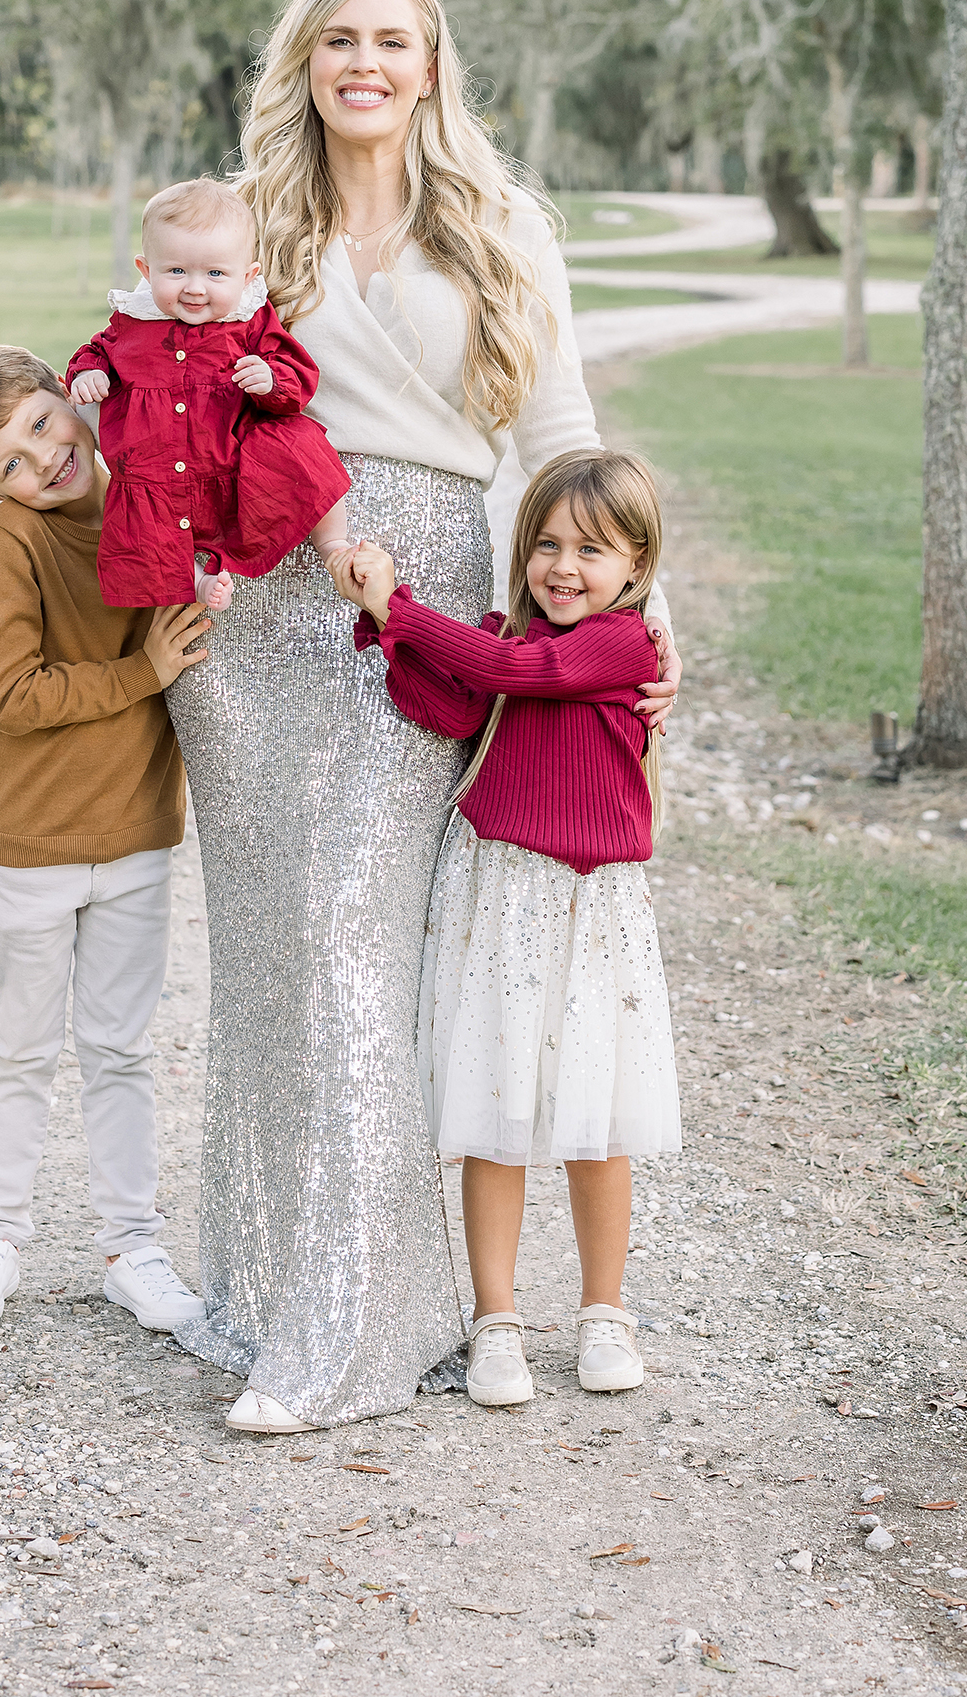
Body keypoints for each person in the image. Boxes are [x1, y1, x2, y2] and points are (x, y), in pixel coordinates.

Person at [161, 0, 681, 1434]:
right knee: (274, 965)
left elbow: (562, 422)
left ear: (432, 65)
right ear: (304, 62)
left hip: (421, 606)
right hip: (262, 615)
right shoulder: (252, 216)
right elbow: (170, 377)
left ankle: (355, 1329)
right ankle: (279, 1287)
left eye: (392, 40)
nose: (364, 63)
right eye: (338, 39)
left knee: (360, 950)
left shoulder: (500, 222)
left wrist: (644, 618)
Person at [334, 448, 681, 1409]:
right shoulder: (504, 636)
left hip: (590, 903)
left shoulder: (621, 645)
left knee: (593, 1117)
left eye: (594, 551)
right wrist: (389, 630)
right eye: (548, 544)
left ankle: (604, 1314)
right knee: (496, 1114)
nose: (565, 567)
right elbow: (450, 699)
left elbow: (508, 669)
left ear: (638, 568)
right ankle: (496, 1323)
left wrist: (400, 610)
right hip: (499, 892)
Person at [0, 344, 212, 1332]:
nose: (40, 458)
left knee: (121, 1049)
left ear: (68, 397)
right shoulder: (14, 543)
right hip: (35, 842)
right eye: (9, 461)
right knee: (20, 1049)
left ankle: (133, 1246)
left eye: (42, 423)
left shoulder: (152, 499)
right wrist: (144, 673)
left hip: (134, 835)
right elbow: (13, 691)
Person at [66, 177, 351, 613]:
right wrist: (89, 372)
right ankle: (196, 580)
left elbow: (296, 374)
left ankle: (331, 541)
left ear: (248, 275)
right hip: (156, 466)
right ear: (146, 270)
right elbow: (96, 351)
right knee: (146, 529)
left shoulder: (249, 319)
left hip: (234, 462)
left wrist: (271, 379)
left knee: (302, 448)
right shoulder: (132, 322)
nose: (195, 288)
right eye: (176, 271)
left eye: (215, 274)